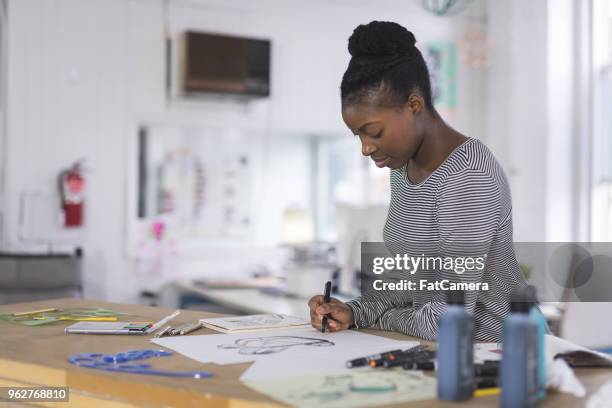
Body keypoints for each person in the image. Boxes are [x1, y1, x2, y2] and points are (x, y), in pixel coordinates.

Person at [308, 21, 526, 342]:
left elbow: (447, 317)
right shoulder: (402, 169)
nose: (366, 148)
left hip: (501, 355)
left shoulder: (469, 178)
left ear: (414, 105)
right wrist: (355, 312)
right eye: (358, 135)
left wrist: (385, 318)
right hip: (438, 350)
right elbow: (407, 282)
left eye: (374, 131)